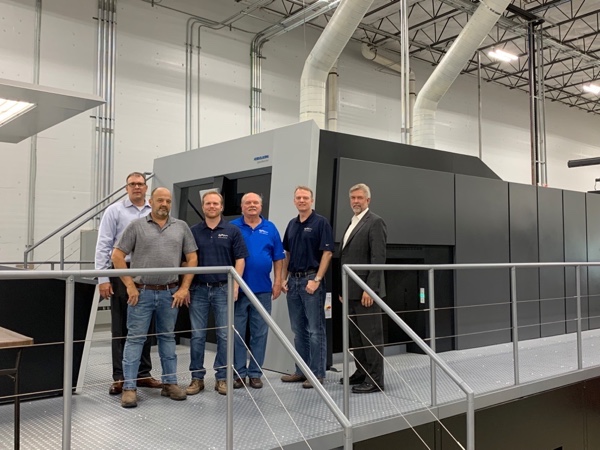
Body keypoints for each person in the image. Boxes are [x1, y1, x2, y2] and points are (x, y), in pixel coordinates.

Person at [112, 187, 198, 408]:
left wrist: (184, 288)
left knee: (168, 338)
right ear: (151, 201)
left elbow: (192, 258)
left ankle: (170, 383)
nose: (164, 204)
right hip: (141, 294)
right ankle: (129, 387)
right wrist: (130, 285)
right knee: (135, 339)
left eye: (168, 201)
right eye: (160, 200)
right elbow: (117, 256)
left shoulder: (181, 227)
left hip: (170, 294)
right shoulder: (136, 226)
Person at [95, 171, 162, 395]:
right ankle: (120, 376)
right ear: (126, 188)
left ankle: (143, 373)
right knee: (121, 326)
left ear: (146, 187)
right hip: (121, 269)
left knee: (146, 325)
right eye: (132, 184)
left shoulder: (154, 210)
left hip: (147, 272)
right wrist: (103, 278)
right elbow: (103, 245)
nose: (137, 187)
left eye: (140, 184)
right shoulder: (114, 211)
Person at [186, 191, 248, 396]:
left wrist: (236, 285)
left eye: (215, 203)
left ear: (221, 207)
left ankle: (222, 378)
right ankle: (197, 378)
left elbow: (240, 259)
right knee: (197, 335)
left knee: (224, 335)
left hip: (223, 289)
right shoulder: (193, 231)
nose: (212, 206)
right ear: (203, 206)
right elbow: (187, 260)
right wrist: (186, 286)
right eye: (208, 203)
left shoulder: (232, 231)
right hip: (198, 289)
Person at [230, 192, 285, 389]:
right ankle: (238, 373)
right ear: (242, 206)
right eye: (248, 202)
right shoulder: (233, 227)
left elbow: (278, 257)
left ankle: (255, 373)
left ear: (261, 206)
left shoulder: (270, 228)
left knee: (259, 334)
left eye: (255, 202)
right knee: (237, 333)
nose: (252, 205)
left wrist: (277, 281)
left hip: (262, 290)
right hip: (238, 290)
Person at [281, 186, 334, 388]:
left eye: (305, 197)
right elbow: (287, 254)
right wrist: (284, 278)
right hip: (293, 282)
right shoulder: (292, 224)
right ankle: (301, 371)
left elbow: (327, 253)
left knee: (315, 330)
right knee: (298, 330)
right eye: (298, 198)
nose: (302, 200)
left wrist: (317, 279)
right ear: (294, 201)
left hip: (311, 279)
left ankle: (317, 374)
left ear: (311, 200)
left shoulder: (321, 223)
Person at [339, 183, 387, 393]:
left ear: (368, 200)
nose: (356, 201)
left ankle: (375, 380)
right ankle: (362, 372)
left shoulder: (375, 222)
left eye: (360, 198)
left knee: (371, 336)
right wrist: (343, 290)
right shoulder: (352, 222)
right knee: (357, 337)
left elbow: (378, 258)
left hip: (366, 291)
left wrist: (370, 289)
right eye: (353, 198)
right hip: (351, 290)